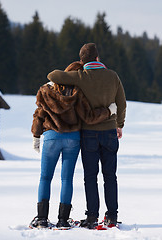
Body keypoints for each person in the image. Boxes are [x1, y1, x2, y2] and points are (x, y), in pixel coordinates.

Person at [47, 43, 126, 229]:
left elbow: (52, 75)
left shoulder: (80, 76)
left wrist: (78, 68)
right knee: (110, 176)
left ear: (82, 61)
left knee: (90, 177)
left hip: (89, 134)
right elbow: (121, 104)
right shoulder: (113, 76)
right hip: (109, 133)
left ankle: (92, 217)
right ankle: (112, 216)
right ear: (98, 58)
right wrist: (119, 125)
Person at [30, 61, 117, 229]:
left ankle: (41, 219)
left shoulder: (46, 89)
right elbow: (90, 117)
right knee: (66, 179)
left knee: (45, 177)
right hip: (73, 138)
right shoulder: (78, 93)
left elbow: (39, 114)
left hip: (51, 137)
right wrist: (109, 111)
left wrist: (36, 135)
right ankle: (63, 220)